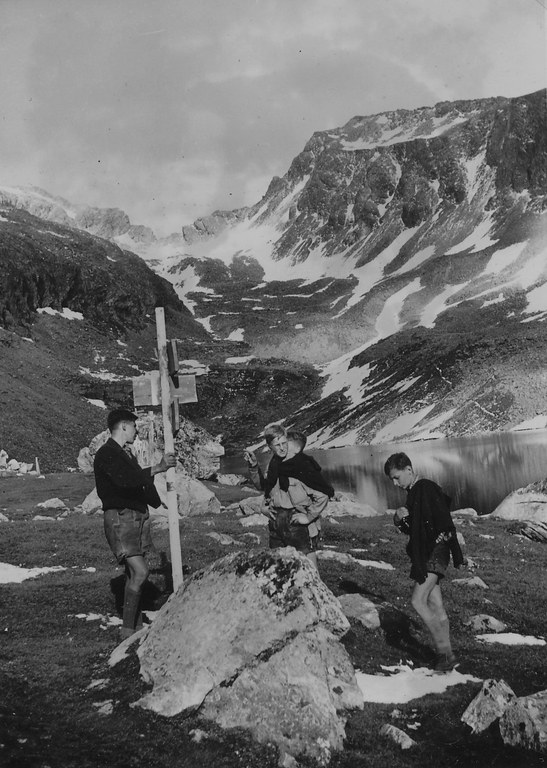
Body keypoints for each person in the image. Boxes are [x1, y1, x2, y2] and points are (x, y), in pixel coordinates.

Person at [93, 408, 176, 639]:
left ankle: (135, 628)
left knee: (133, 573)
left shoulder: (124, 453)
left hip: (133, 518)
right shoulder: (107, 453)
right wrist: (158, 467)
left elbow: (135, 480)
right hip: (120, 519)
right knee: (141, 571)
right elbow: (125, 481)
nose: (136, 431)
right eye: (134, 426)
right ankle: (127, 631)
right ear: (124, 426)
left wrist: (156, 502)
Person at [384, 452, 464, 672]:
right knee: (436, 604)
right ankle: (447, 656)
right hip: (433, 552)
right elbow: (419, 528)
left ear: (409, 471)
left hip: (434, 554)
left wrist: (444, 542)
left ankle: (443, 652)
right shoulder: (416, 492)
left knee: (418, 601)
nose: (394, 483)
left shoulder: (424, 487)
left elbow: (442, 521)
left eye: (397, 477)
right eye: (391, 479)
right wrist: (400, 520)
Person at [244, 425, 334, 568]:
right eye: (277, 445)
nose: (282, 448)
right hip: (276, 524)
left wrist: (309, 517)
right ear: (269, 446)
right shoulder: (273, 465)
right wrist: (254, 467)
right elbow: (264, 487)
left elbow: (323, 495)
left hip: (296, 522)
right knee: (278, 566)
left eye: (284, 443)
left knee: (307, 565)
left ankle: (314, 589)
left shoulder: (301, 466)